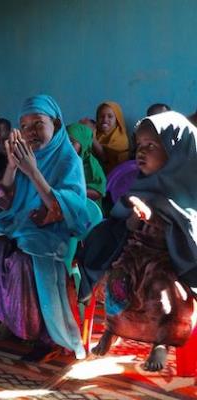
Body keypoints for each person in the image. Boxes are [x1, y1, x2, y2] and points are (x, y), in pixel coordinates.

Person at [80, 111, 197, 371]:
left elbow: (190, 227)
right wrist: (131, 220)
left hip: (169, 263)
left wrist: (161, 218)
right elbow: (120, 218)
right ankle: (113, 329)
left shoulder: (191, 186)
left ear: (175, 151)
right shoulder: (141, 184)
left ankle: (161, 342)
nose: (140, 152)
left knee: (162, 291)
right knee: (117, 282)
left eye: (151, 146)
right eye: (139, 146)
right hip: (134, 256)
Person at [0, 95, 90, 361]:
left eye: (38, 123)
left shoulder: (68, 160)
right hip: (23, 225)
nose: (31, 132)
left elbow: (70, 209)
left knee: (24, 260)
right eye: (25, 126)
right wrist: (12, 166)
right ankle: (7, 316)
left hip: (55, 232)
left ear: (56, 123)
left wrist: (33, 172)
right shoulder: (27, 157)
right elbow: (5, 201)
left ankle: (45, 335)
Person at [67, 123, 107, 206]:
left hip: (90, 208)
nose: (67, 146)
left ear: (83, 143)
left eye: (72, 142)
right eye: (65, 142)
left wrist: (77, 192)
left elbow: (99, 192)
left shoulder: (92, 165)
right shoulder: (65, 163)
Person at [92, 101, 129, 174]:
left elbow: (104, 158)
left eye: (110, 116)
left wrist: (92, 138)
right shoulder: (95, 133)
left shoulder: (121, 139)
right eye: (101, 116)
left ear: (117, 120)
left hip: (114, 179)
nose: (105, 120)